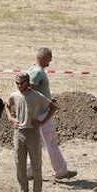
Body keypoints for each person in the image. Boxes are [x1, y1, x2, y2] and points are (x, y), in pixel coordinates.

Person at [6, 71, 56, 192]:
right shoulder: (14, 95)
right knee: (19, 164)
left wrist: (42, 122)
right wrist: (11, 118)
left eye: (21, 83)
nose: (19, 85)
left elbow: (52, 107)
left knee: (36, 164)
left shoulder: (36, 96)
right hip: (19, 133)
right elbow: (7, 105)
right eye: (17, 83)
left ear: (27, 82)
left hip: (33, 133)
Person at [26, 47, 76, 180]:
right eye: (49, 58)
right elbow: (32, 93)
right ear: (42, 58)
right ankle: (61, 171)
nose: (50, 60)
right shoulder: (37, 72)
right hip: (42, 113)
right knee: (51, 142)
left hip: (37, 112)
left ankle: (29, 172)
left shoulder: (32, 69)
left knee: (35, 143)